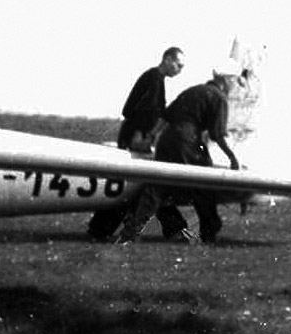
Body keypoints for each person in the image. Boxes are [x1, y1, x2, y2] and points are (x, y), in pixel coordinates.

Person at [115, 59, 243, 245]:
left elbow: (165, 117)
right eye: (235, 81)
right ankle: (209, 233)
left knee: (157, 187)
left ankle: (130, 233)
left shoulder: (193, 90)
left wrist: (150, 138)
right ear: (227, 80)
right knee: (203, 185)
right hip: (187, 142)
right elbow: (217, 134)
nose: (235, 86)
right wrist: (232, 158)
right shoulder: (218, 98)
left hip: (167, 140)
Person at [86, 47, 185, 240]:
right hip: (136, 137)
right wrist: (141, 136)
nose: (180, 70)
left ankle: (99, 229)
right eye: (178, 65)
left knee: (134, 185)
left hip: (132, 134)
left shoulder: (154, 78)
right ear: (167, 59)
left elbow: (132, 109)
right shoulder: (155, 79)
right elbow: (145, 111)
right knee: (137, 185)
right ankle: (174, 228)